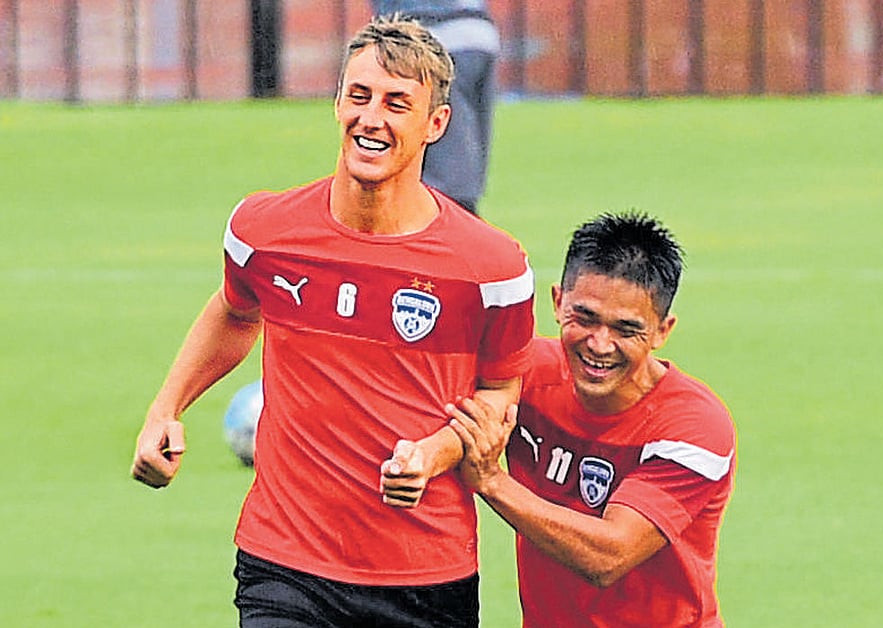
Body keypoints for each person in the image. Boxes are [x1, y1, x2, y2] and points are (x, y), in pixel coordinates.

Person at [131, 14, 534, 628]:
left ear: (437, 124)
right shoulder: (263, 230)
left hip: (426, 574)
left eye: (398, 103)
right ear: (337, 103)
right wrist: (167, 407)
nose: (372, 118)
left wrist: (432, 454)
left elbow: (502, 391)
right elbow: (235, 312)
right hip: (284, 564)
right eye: (359, 96)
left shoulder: (492, 267)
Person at [447, 212, 737, 627]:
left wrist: (492, 482)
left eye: (626, 329)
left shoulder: (694, 428)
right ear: (557, 302)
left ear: (662, 330)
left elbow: (608, 555)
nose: (600, 345)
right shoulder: (524, 375)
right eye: (584, 318)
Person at [370, 1, 500, 214]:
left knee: (445, 176)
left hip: (429, 34)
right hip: (479, 31)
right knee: (466, 156)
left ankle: (455, 232)